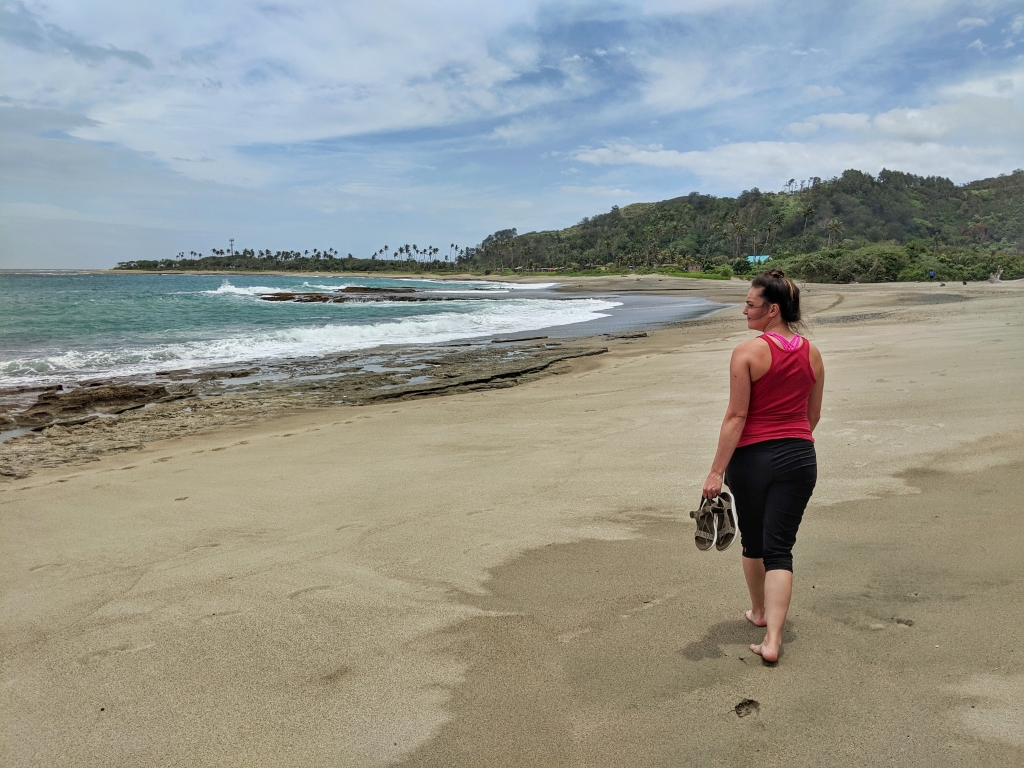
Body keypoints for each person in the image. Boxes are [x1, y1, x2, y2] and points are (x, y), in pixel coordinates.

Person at [702, 269, 825, 663]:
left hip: (753, 460)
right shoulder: (812, 353)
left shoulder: (748, 352)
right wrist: (791, 442)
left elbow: (736, 416)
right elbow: (812, 416)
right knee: (780, 550)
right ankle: (772, 638)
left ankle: (758, 612)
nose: (744, 311)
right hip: (799, 457)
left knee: (754, 542)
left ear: (772, 310)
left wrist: (715, 471)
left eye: (751, 305)